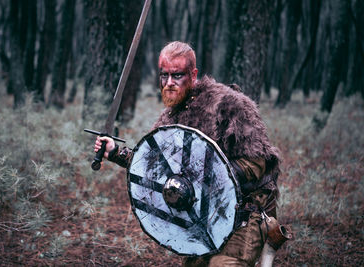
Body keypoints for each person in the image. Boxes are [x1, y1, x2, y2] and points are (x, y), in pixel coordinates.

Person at [94, 41, 281, 267]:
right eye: (164, 76)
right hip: (202, 215)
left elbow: (258, 162)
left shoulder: (229, 104)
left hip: (245, 212)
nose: (169, 83)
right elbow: (155, 168)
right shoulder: (169, 119)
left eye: (177, 75)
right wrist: (115, 152)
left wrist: (214, 176)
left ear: (193, 75)